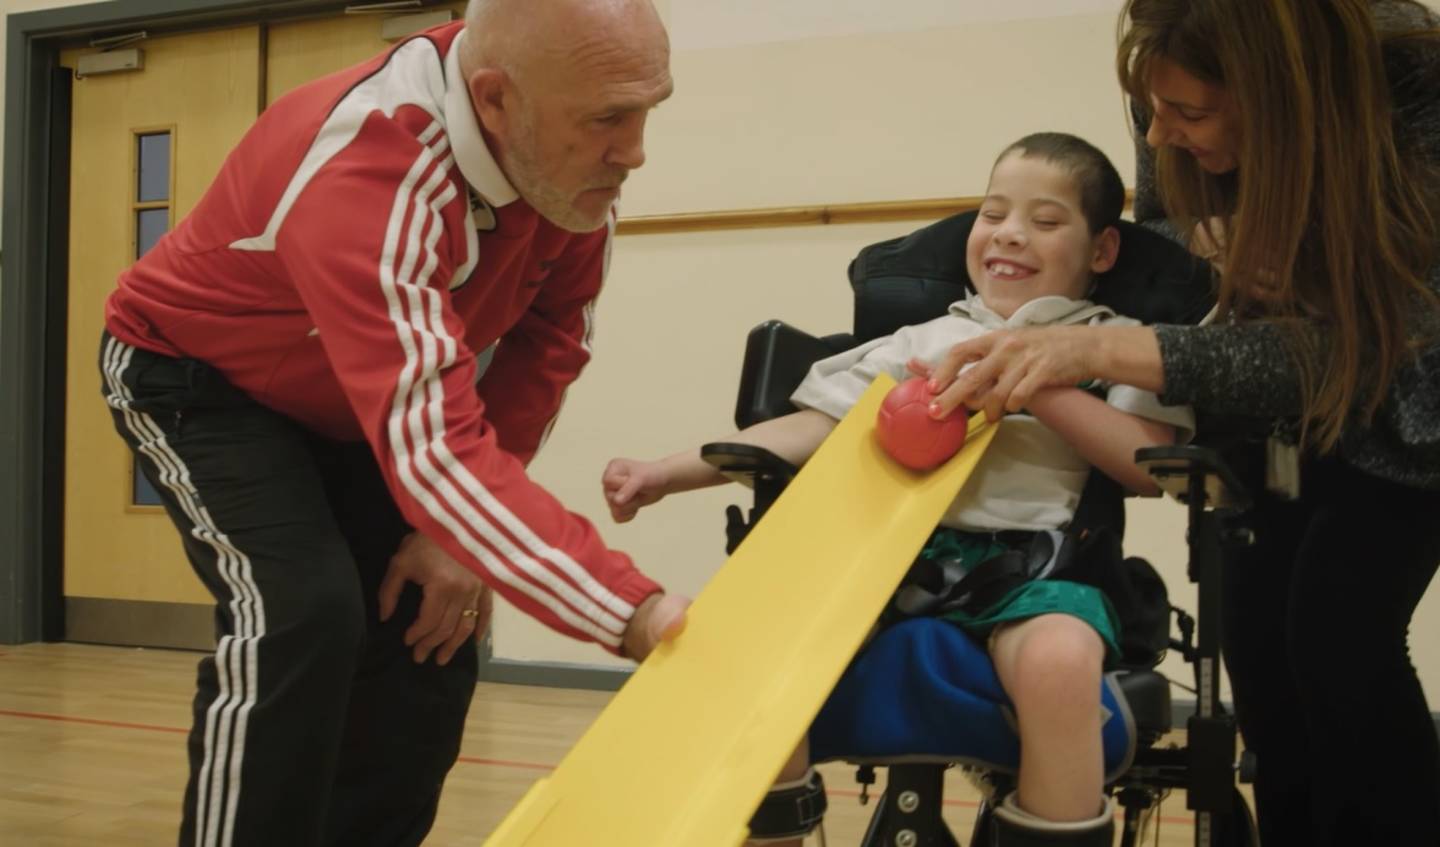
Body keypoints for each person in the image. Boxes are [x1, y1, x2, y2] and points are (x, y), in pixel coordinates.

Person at [98, 0, 688, 844]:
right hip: (198, 379)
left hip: (357, 399)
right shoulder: (374, 165)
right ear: (494, 101)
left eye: (646, 111)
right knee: (302, 613)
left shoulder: (571, 174)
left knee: (433, 631)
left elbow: (546, 346)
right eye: (607, 119)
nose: (634, 151)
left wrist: (458, 541)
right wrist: (635, 611)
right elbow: (434, 451)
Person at [918, 2, 1440, 844]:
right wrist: (1206, 234)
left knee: (1342, 636)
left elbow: (1363, 351)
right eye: (1153, 107)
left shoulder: (1412, 88)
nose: (1160, 134)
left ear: (1279, 101)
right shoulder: (1170, 70)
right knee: (1262, 652)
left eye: (1191, 114)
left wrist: (1097, 355)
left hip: (1409, 399)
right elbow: (1162, 223)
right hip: (1270, 406)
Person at [602, 133, 1194, 847]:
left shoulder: (1112, 342)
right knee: (750, 639)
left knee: (1062, 663)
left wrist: (1042, 382)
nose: (1009, 233)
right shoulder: (925, 339)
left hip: (1044, 570)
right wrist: (667, 472)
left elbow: (1150, 461)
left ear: (1100, 251)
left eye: (1044, 220)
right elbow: (814, 426)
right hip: (892, 566)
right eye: (993, 212)